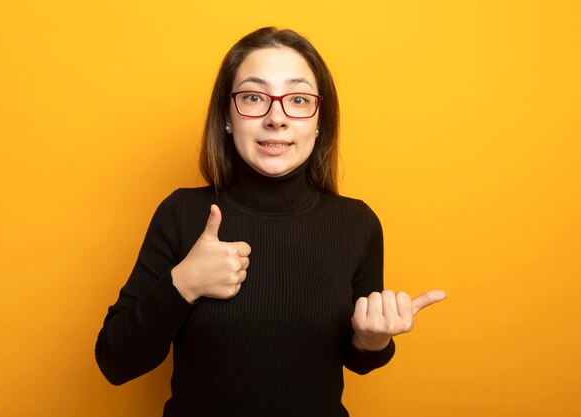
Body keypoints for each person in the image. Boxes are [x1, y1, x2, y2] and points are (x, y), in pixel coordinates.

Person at [95, 27, 446, 417]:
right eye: (253, 97)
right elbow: (116, 362)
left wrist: (371, 339)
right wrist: (184, 283)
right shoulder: (181, 213)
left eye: (297, 99)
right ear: (227, 117)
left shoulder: (356, 223)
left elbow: (360, 359)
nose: (276, 118)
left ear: (319, 120)